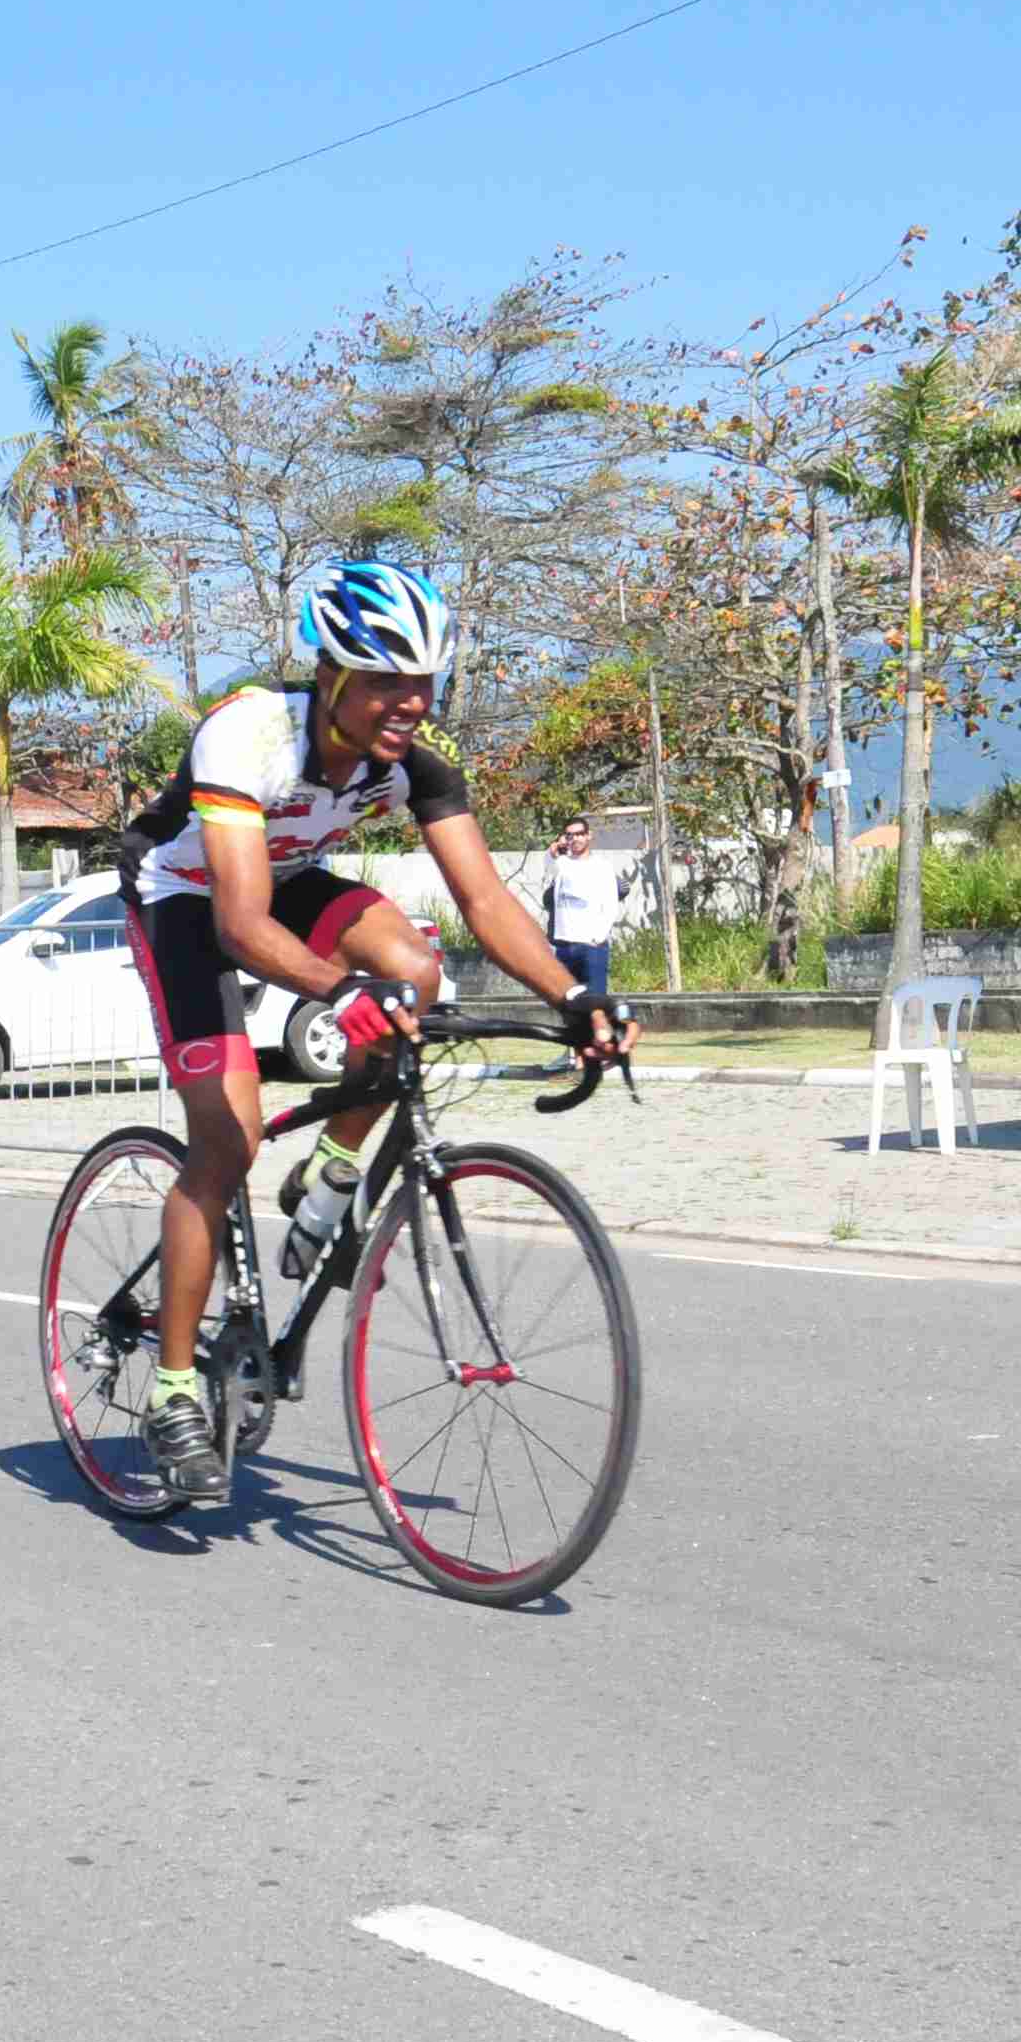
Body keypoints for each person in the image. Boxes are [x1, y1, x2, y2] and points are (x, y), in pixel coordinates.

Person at [112, 562, 631, 1501]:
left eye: (425, 682)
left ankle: (333, 1175)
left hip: (286, 878)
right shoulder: (249, 736)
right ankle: (175, 1390)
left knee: (414, 973)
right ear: (332, 679)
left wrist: (573, 998)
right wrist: (335, 988)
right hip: (186, 901)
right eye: (387, 681)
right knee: (222, 1145)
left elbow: (484, 899)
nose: (410, 703)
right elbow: (237, 923)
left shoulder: (411, 763)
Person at [540, 819, 632, 1001]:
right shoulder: (562, 865)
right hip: (565, 947)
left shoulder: (602, 867)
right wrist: (555, 848)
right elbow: (549, 863)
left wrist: (598, 937)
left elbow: (610, 905)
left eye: (580, 834)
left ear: (589, 836)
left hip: (592, 947)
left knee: (595, 1002)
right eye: (570, 835)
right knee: (567, 1003)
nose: (575, 838)